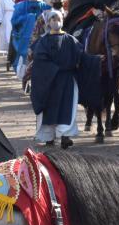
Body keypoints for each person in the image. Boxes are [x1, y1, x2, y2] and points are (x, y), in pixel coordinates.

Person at [29, 10, 85, 149]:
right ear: (48, 22)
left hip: (67, 81)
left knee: (68, 108)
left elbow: (82, 57)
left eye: (58, 18)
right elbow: (40, 61)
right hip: (48, 82)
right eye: (52, 19)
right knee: (49, 109)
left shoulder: (71, 40)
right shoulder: (42, 42)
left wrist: (97, 60)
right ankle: (49, 137)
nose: (56, 21)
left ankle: (65, 136)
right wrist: (54, 69)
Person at [10, 0, 49, 73]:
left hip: (41, 38)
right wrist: (28, 18)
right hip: (25, 38)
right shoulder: (20, 6)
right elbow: (14, 21)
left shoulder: (45, 6)